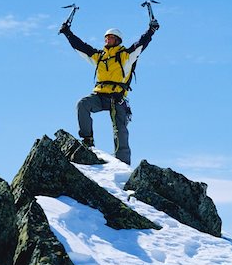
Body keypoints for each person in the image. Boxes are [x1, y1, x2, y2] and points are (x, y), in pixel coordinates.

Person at [59, 19, 159, 165]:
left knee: (120, 130)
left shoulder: (126, 56)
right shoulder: (99, 56)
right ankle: (88, 140)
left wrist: (151, 31)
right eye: (106, 37)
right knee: (83, 104)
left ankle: (123, 164)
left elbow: (140, 44)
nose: (107, 39)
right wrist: (67, 33)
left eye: (110, 37)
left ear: (117, 40)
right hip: (99, 95)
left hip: (117, 98)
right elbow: (81, 47)